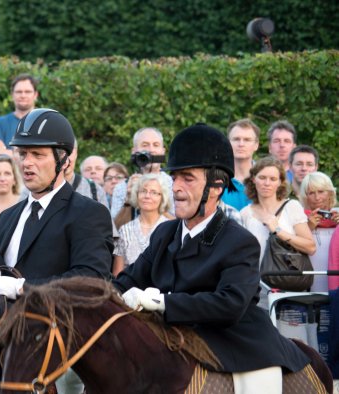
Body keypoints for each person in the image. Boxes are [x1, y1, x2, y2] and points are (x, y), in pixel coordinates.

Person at [113, 124, 310, 394]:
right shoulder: (164, 233)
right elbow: (127, 280)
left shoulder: (239, 241)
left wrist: (162, 302)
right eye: (175, 178)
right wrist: (92, 294)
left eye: (188, 178)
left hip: (237, 341)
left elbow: (229, 304)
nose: (177, 188)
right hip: (174, 335)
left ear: (216, 186)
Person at [0, 108, 113, 394]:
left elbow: (91, 282)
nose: (27, 163)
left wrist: (22, 287)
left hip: (63, 351)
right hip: (8, 347)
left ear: (63, 160)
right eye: (23, 154)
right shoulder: (8, 216)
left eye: (38, 155)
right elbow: (2, 277)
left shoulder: (89, 213)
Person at [240, 156, 316, 307]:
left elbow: (310, 247)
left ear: (280, 182)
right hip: (256, 289)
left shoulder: (291, 207)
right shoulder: (245, 213)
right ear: (254, 179)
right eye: (262, 177)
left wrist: (278, 231)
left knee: (293, 331)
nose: (267, 183)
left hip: (289, 286)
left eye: (273, 178)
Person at [112, 173, 171, 276]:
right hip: (129, 288)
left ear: (162, 197)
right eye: (143, 191)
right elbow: (117, 273)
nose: (147, 196)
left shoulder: (171, 228)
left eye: (154, 192)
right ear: (136, 194)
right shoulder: (125, 230)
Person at [110, 127, 172, 220]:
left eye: (156, 145)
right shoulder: (121, 188)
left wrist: (156, 201)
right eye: (145, 145)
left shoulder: (173, 184)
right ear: (134, 151)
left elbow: (180, 226)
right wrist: (129, 200)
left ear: (162, 151)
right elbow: (115, 230)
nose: (151, 150)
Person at [299, 171, 338, 292]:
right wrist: (308, 227)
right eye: (311, 193)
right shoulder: (299, 219)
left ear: (330, 193)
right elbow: (292, 250)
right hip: (308, 286)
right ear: (305, 196)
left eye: (321, 191)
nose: (317, 197)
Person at [0, 74, 38, 159]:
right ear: (12, 95)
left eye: (28, 92)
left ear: (35, 95)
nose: (23, 95)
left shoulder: (45, 122)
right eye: (19, 92)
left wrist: (6, 152)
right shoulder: (0, 123)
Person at [222, 118, 260, 210]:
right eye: (236, 139)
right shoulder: (217, 178)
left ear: (256, 145)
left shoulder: (265, 178)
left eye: (247, 140)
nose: (241, 144)